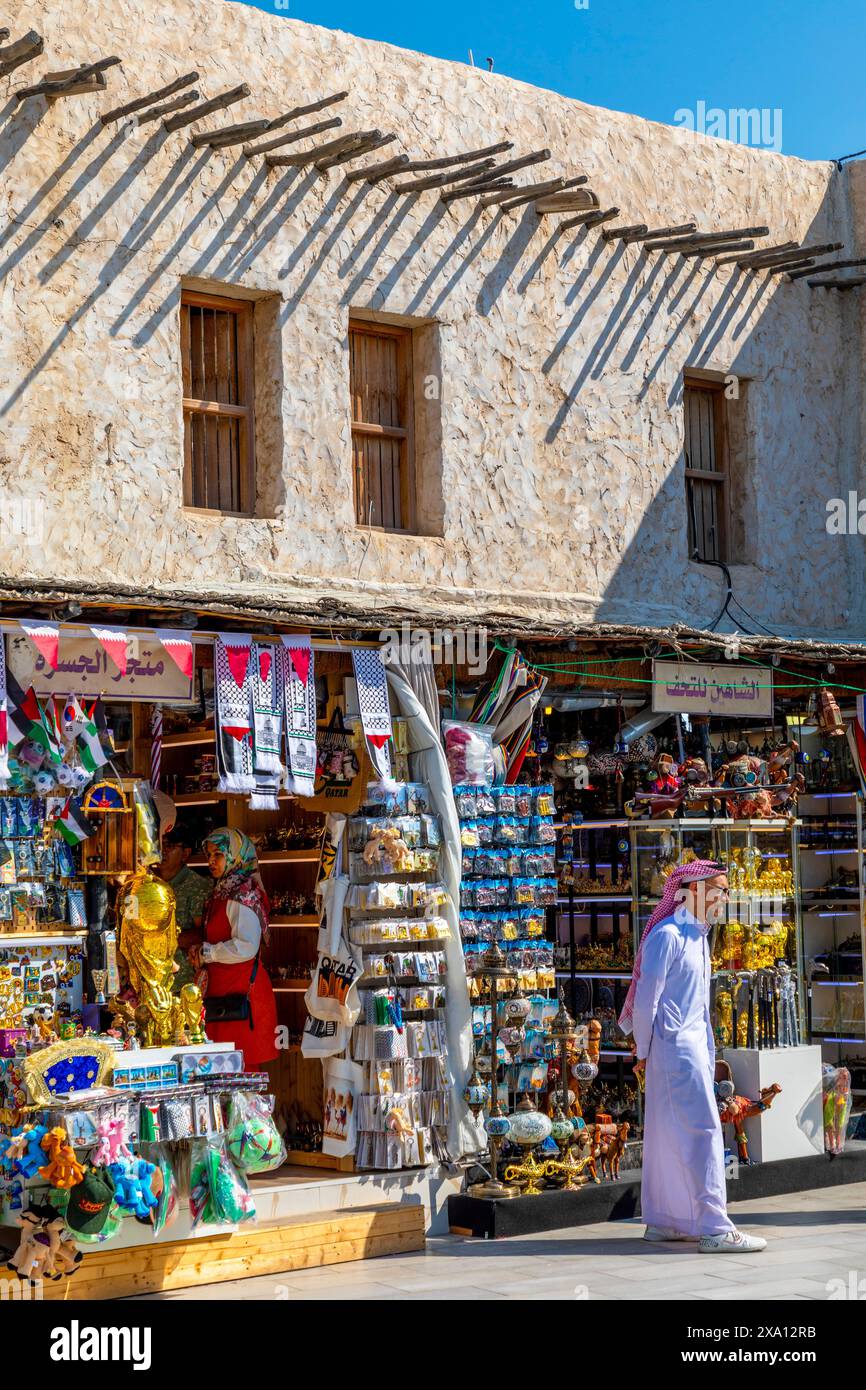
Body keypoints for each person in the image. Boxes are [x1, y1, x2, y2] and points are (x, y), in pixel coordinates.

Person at [619, 859, 766, 1254]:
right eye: (720, 888)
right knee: (703, 1133)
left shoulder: (699, 936)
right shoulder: (667, 935)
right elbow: (647, 1002)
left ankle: (666, 1221)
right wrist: (645, 1052)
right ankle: (716, 1228)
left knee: (668, 1136)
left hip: (691, 1051)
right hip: (674, 1052)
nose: (726, 897)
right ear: (694, 891)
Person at [195, 828, 278, 1070]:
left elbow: (246, 946)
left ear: (235, 856)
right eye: (209, 854)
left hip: (242, 998)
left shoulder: (242, 894)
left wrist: (208, 953)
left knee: (243, 1077)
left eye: (218, 854)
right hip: (224, 996)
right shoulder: (222, 891)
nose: (211, 861)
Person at [155, 826, 211, 993]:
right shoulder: (147, 883)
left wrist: (162, 940)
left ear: (185, 853)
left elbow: (203, 935)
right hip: (152, 983)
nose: (162, 851)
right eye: (159, 844)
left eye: (170, 846)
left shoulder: (197, 886)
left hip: (183, 986)